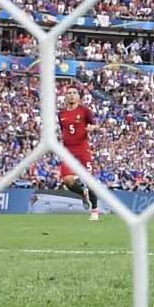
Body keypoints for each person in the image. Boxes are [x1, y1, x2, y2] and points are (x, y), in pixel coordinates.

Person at [55, 86, 100, 222]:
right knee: (67, 180)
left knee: (89, 180)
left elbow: (95, 125)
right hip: (68, 151)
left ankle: (95, 210)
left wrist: (92, 128)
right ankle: (83, 193)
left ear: (78, 97)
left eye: (74, 93)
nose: (71, 95)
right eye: (69, 93)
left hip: (82, 149)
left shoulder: (84, 111)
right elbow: (64, 131)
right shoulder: (61, 114)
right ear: (65, 96)